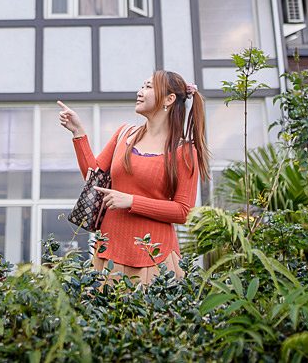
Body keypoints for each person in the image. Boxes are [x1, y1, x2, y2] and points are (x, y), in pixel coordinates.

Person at [57, 70, 210, 284]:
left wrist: (132, 201)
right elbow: (94, 180)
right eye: (142, 86)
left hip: (154, 256)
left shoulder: (184, 151)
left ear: (169, 99)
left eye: (148, 87)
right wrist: (78, 133)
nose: (140, 92)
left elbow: (183, 211)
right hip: (109, 250)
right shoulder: (124, 134)